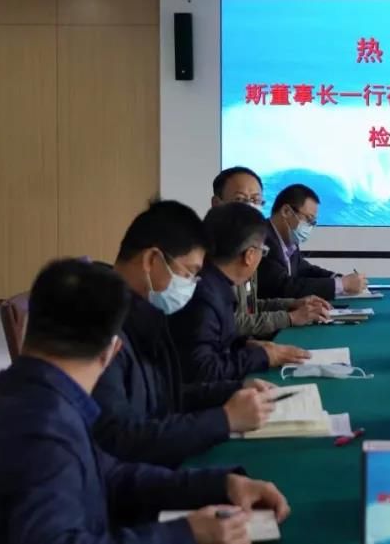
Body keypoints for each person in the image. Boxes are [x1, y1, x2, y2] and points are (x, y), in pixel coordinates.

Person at [0, 258, 291, 544]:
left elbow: (110, 474)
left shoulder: (23, 390)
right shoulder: (42, 428)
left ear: (27, 330)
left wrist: (220, 485)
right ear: (112, 351)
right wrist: (185, 533)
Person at [92, 200, 278, 467]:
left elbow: (164, 398)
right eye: (189, 272)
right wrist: (225, 420)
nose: (192, 285)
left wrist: (234, 390)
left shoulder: (145, 313)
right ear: (152, 260)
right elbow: (119, 439)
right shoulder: (100, 323)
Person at [171, 202, 310, 382]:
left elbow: (220, 341)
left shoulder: (217, 284)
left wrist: (246, 346)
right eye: (263, 251)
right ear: (249, 255)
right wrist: (262, 356)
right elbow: (203, 370)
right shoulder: (205, 297)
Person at [211, 167, 331, 338]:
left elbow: (250, 307)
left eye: (255, 200)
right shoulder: (209, 255)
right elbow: (230, 322)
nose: (250, 207)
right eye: (240, 199)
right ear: (217, 203)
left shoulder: (248, 247)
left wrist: (293, 304)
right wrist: (290, 317)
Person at [257, 183, 367, 301]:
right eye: (308, 219)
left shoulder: (287, 240)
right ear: (286, 211)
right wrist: (341, 285)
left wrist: (337, 278)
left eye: (313, 222)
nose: (309, 227)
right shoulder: (262, 240)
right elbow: (284, 287)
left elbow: (304, 269)